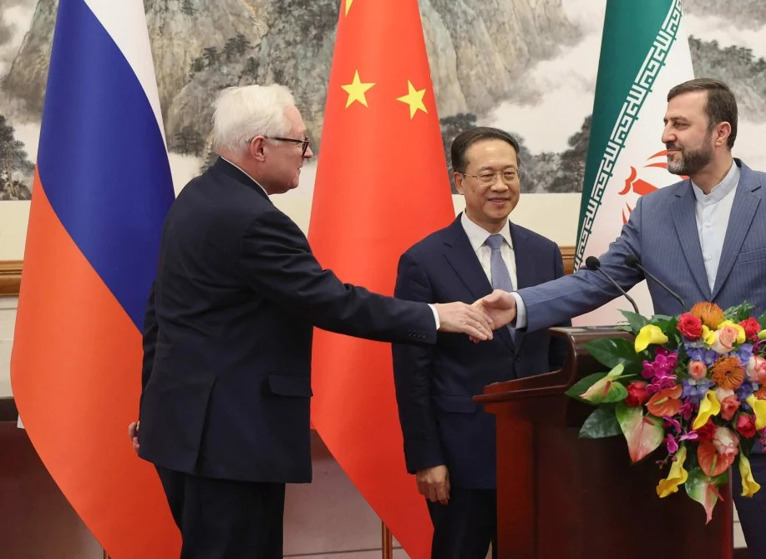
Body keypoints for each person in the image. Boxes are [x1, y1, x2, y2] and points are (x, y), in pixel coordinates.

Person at [479, 78, 766, 559]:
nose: (666, 135)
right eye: (666, 123)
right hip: (685, 419)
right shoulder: (652, 212)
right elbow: (599, 281)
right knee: (684, 544)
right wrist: (520, 305)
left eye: (679, 124)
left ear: (720, 132)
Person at [130, 84, 494, 559]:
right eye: (299, 143)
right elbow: (330, 301)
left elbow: (161, 314)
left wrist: (153, 405)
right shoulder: (253, 220)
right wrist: (434, 315)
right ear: (260, 147)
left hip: (186, 430)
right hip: (228, 441)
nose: (306, 153)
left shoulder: (198, 198)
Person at [391, 127, 567, 559]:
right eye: (487, 175)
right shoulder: (424, 260)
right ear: (459, 181)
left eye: (510, 173)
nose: (500, 186)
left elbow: (560, 350)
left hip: (536, 451)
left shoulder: (544, 253)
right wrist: (426, 457)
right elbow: (412, 371)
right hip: (461, 455)